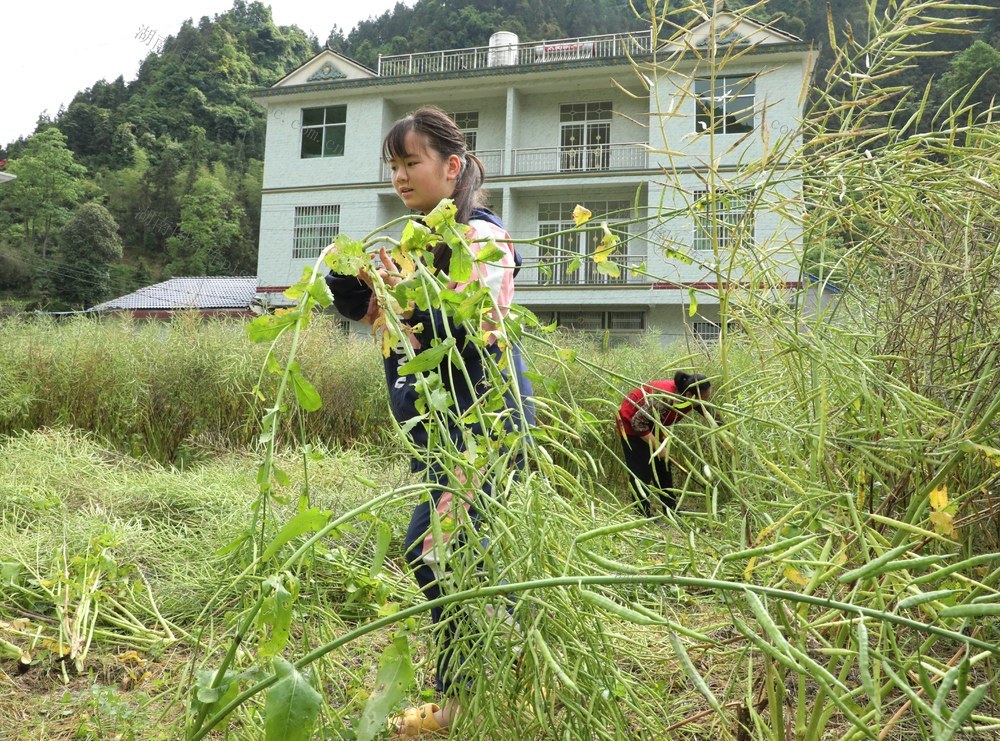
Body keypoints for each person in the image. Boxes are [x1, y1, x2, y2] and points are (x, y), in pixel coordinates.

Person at [323, 106, 531, 736]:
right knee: (461, 555)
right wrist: (352, 288)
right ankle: (510, 663)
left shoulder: (481, 240)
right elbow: (386, 325)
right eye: (394, 165)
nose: (401, 177)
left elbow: (461, 320)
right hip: (441, 436)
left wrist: (401, 291)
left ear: (452, 166)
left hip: (482, 429)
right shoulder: (414, 244)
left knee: (437, 552)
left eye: (411, 162)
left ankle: (463, 698)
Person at [616, 371, 716, 516]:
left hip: (654, 424)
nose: (705, 401)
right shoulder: (664, 398)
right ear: (689, 396)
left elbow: (708, 411)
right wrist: (658, 447)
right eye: (704, 398)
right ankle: (642, 514)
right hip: (632, 423)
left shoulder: (691, 396)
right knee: (641, 471)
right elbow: (637, 423)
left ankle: (670, 510)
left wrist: (724, 430)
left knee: (664, 468)